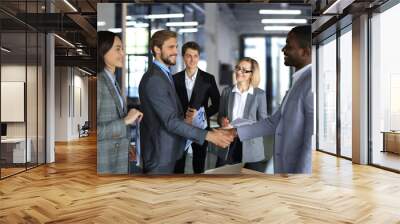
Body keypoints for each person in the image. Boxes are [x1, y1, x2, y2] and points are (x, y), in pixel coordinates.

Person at [138, 30, 233, 174]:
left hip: (171, 146)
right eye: (171, 47)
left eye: (176, 47)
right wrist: (209, 135)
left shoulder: (165, 75)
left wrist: (199, 116)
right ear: (157, 49)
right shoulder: (156, 79)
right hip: (161, 153)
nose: (175, 51)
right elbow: (170, 120)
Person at [228, 25, 313, 174]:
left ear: (305, 52)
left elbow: (310, 140)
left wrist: (301, 180)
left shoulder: (311, 83)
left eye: (289, 46)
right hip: (284, 171)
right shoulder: (298, 82)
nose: (284, 50)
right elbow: (274, 122)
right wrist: (235, 132)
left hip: (296, 177)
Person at [97, 31, 143, 174]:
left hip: (118, 159)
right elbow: (94, 132)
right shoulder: (99, 82)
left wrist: (127, 145)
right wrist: (125, 121)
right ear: (103, 51)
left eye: (122, 49)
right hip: (105, 163)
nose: (123, 53)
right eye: (118, 49)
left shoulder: (113, 81)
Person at [173, 41, 220, 174]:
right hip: (180, 127)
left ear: (199, 57)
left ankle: (199, 192)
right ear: (183, 57)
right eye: (189, 55)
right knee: (178, 165)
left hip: (201, 127)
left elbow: (217, 103)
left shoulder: (208, 79)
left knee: (199, 166)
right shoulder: (174, 79)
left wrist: (203, 114)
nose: (192, 59)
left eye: (195, 56)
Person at [217, 57, 268, 172]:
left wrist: (247, 127)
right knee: (223, 180)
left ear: (252, 74)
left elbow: (264, 124)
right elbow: (220, 115)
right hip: (228, 143)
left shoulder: (259, 94)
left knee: (251, 185)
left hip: (251, 146)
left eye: (244, 70)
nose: (239, 72)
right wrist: (222, 121)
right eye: (238, 68)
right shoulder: (226, 92)